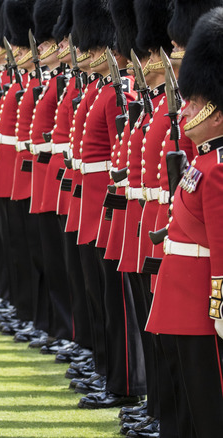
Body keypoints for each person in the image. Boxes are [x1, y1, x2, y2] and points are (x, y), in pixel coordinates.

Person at [145, 6, 223, 437]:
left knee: (209, 404)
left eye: (195, 102)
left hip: (201, 304)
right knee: (190, 401)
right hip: (180, 296)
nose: (186, 107)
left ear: (217, 111)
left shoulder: (217, 168)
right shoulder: (203, 163)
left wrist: (220, 305)